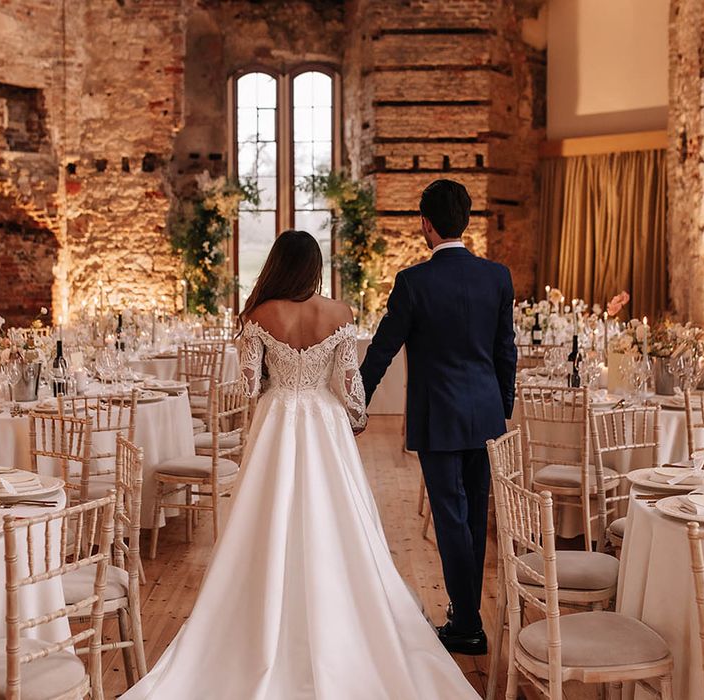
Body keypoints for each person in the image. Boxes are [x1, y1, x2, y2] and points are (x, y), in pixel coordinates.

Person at [121, 230, 479, 699]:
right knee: (337, 518)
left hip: (277, 422)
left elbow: (248, 388)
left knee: (267, 519)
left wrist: (272, 374)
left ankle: (263, 613)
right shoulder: (339, 314)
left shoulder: (259, 315)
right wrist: (356, 419)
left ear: (278, 265)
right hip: (325, 424)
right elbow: (350, 387)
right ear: (315, 267)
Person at [360, 180, 517, 655]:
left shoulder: (413, 283)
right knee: (474, 512)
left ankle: (467, 622)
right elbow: (505, 351)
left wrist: (354, 401)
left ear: (425, 224)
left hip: (440, 418)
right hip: (486, 415)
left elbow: (382, 351)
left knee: (452, 516)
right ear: (465, 221)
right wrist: (502, 406)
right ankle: (466, 615)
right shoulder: (498, 277)